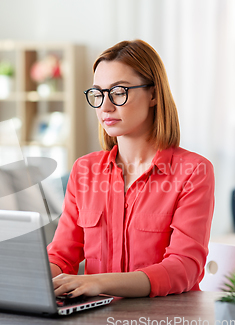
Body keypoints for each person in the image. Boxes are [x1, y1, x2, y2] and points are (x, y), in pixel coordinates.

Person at [47, 39, 215, 298]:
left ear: (154, 94)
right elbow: (62, 255)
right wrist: (35, 274)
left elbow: (184, 268)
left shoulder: (193, 171)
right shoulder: (85, 170)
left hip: (166, 318)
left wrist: (100, 283)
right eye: (98, 93)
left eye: (119, 92)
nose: (105, 107)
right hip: (97, 318)